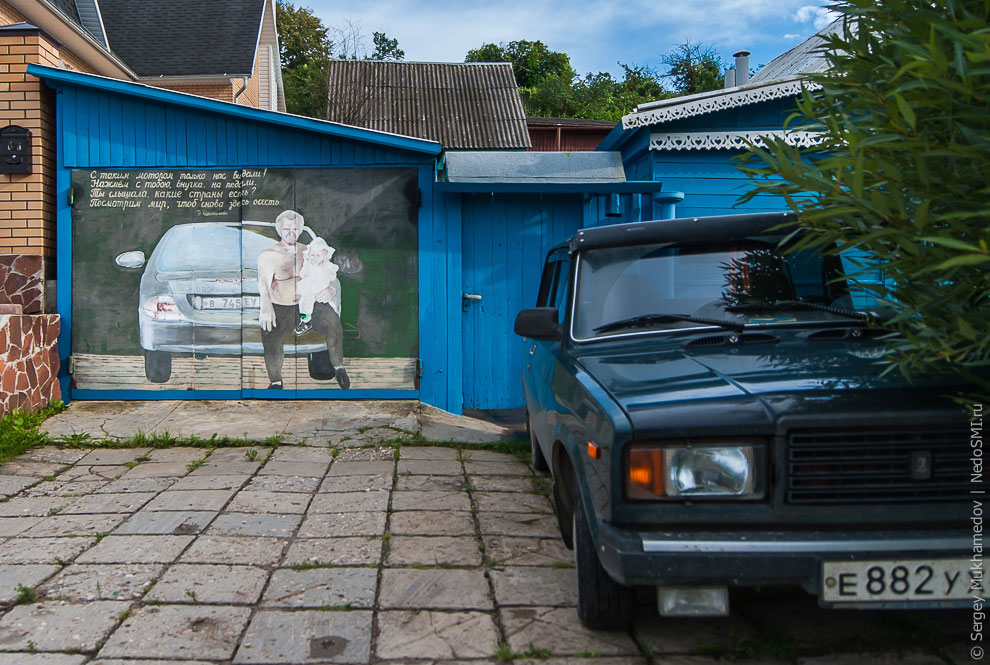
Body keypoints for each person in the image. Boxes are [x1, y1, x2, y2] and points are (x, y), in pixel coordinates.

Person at [257, 210, 350, 390]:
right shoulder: (268, 255)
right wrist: (265, 307)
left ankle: (339, 367)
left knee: (333, 322)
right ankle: (276, 381)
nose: (291, 233)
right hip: (282, 306)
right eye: (287, 229)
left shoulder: (310, 251)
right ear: (279, 230)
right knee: (270, 336)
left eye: (295, 229)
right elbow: (263, 284)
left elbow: (329, 273)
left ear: (301, 229)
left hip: (310, 304)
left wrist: (330, 289)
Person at [294, 237, 340, 336]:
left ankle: (332, 321)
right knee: (304, 303)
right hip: (309, 288)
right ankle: (305, 320)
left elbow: (332, 278)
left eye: (318, 255)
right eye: (312, 255)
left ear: (324, 256)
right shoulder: (308, 264)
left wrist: (330, 287)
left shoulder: (327, 265)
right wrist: (306, 263)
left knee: (327, 305)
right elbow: (303, 275)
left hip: (321, 288)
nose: (315, 258)